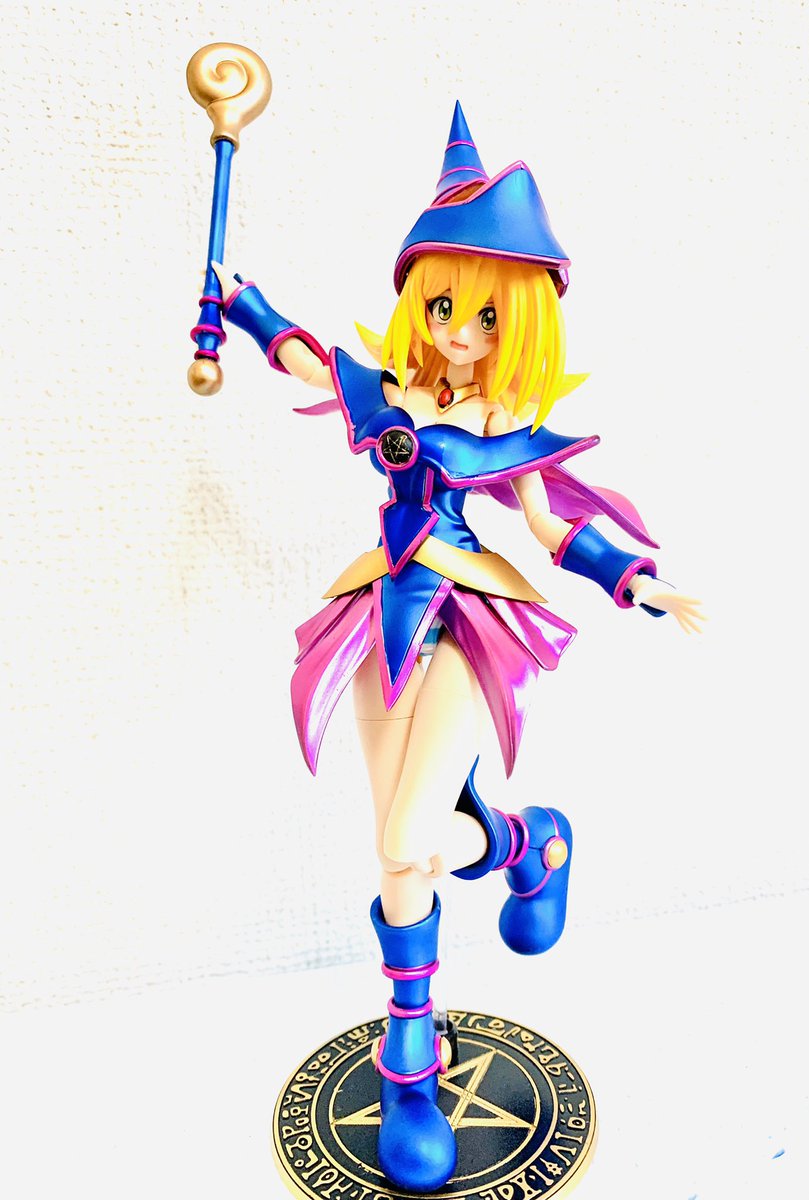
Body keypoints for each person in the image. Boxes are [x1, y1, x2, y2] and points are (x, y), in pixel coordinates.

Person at [211, 102, 704, 1193]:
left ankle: (451, 987)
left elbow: (553, 524)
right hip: (379, 615)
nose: (462, 334)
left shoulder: (506, 430)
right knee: (401, 850)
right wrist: (237, 298)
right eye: (444, 306)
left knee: (406, 835)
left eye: (487, 317)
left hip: (471, 616)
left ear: (519, 326)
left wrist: (637, 579)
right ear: (417, 298)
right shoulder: (387, 396)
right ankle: (507, 878)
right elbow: (304, 357)